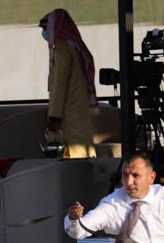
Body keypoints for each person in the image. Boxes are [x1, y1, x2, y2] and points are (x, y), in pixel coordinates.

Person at [38, 9, 96, 159]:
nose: (45, 33)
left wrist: (54, 118)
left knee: (73, 158)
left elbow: (59, 86)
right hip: (78, 113)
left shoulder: (61, 50)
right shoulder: (72, 47)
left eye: (46, 28)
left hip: (68, 116)